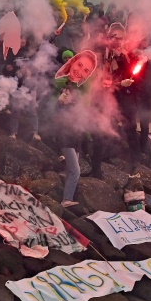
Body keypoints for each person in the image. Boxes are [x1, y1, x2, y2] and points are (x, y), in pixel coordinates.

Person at [52, 50, 98, 206]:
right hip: (65, 136)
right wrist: (58, 102)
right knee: (75, 171)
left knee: (72, 170)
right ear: (72, 62)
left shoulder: (80, 90)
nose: (80, 72)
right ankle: (66, 200)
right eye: (79, 65)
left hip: (76, 135)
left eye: (86, 70)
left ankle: (66, 196)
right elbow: (50, 107)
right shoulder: (59, 83)